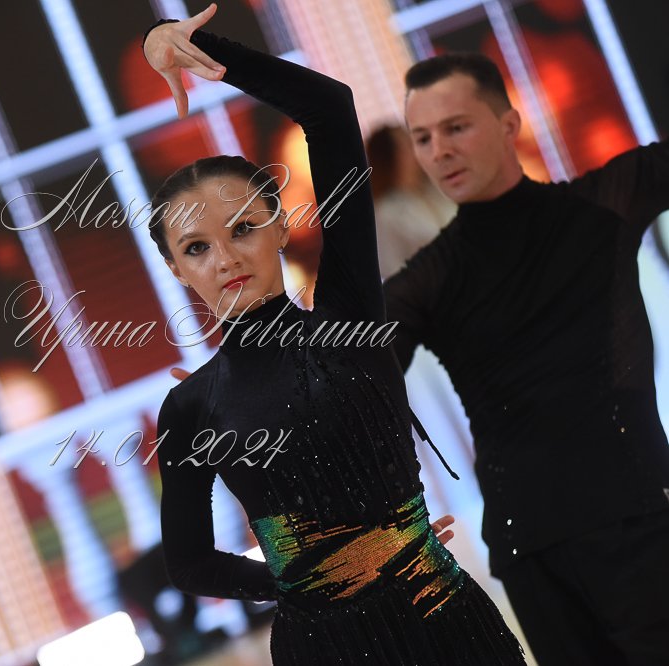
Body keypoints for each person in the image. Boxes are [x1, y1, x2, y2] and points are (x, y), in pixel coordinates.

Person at [142, 5, 526, 664]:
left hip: (448, 627)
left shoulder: (349, 321)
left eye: (242, 228)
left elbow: (328, 109)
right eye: (196, 247)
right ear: (176, 269)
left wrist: (189, 44)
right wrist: (304, 580)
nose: (225, 258)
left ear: (278, 226)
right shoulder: (189, 407)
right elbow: (190, 563)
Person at [384, 51, 669, 665]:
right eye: (423, 138)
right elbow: (347, 381)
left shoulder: (602, 206)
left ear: (508, 123)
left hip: (640, 523)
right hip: (531, 556)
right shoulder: (429, 280)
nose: (440, 151)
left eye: (456, 127)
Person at [365, 125, 455, 280]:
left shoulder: (439, 189)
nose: (417, 150)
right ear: (388, 156)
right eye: (406, 146)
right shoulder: (386, 213)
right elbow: (393, 273)